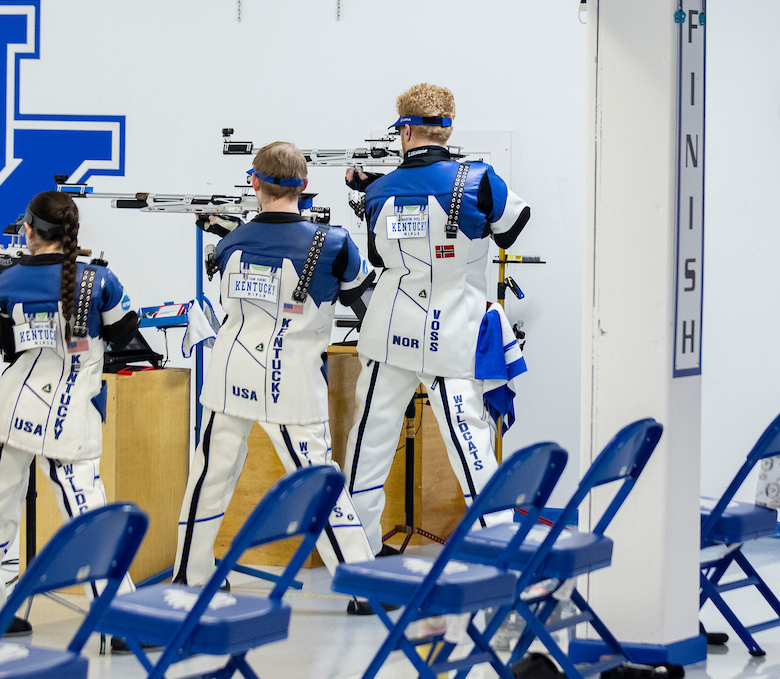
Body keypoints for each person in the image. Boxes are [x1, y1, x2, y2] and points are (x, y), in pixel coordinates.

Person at [174, 141, 380, 613]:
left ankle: (190, 577)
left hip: (230, 373)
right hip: (291, 381)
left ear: (254, 183)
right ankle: (362, 586)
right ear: (304, 186)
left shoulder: (230, 243)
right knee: (319, 485)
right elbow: (363, 302)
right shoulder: (334, 244)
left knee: (209, 476)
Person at [342, 83, 531, 555]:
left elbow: (377, 257)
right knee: (471, 447)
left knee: (368, 446)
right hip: (452, 334)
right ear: (447, 129)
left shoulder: (377, 192)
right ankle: (499, 552)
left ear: (405, 132)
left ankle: (358, 555)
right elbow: (511, 229)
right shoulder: (481, 179)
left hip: (389, 333)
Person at [0, 190, 139, 634]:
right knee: (89, 520)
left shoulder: (6, 283)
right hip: (69, 418)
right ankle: (121, 618)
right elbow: (125, 334)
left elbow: (9, 348)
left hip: (12, 411)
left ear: (28, 231)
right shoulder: (101, 281)